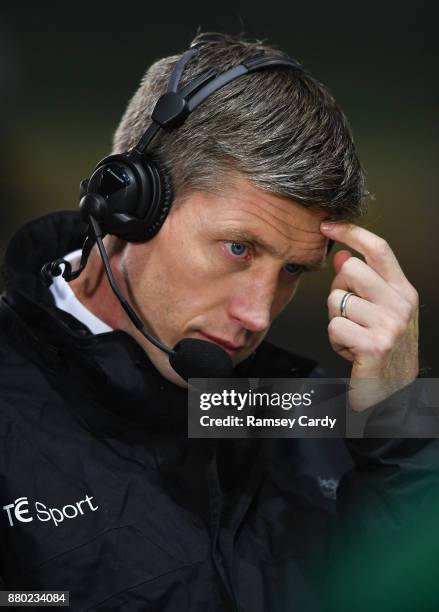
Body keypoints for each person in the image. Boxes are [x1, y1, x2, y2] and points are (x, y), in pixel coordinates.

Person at [0, 32, 432, 611]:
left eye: (293, 271)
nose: (256, 315)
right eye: (238, 248)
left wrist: (398, 418)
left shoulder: (310, 414)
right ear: (131, 206)